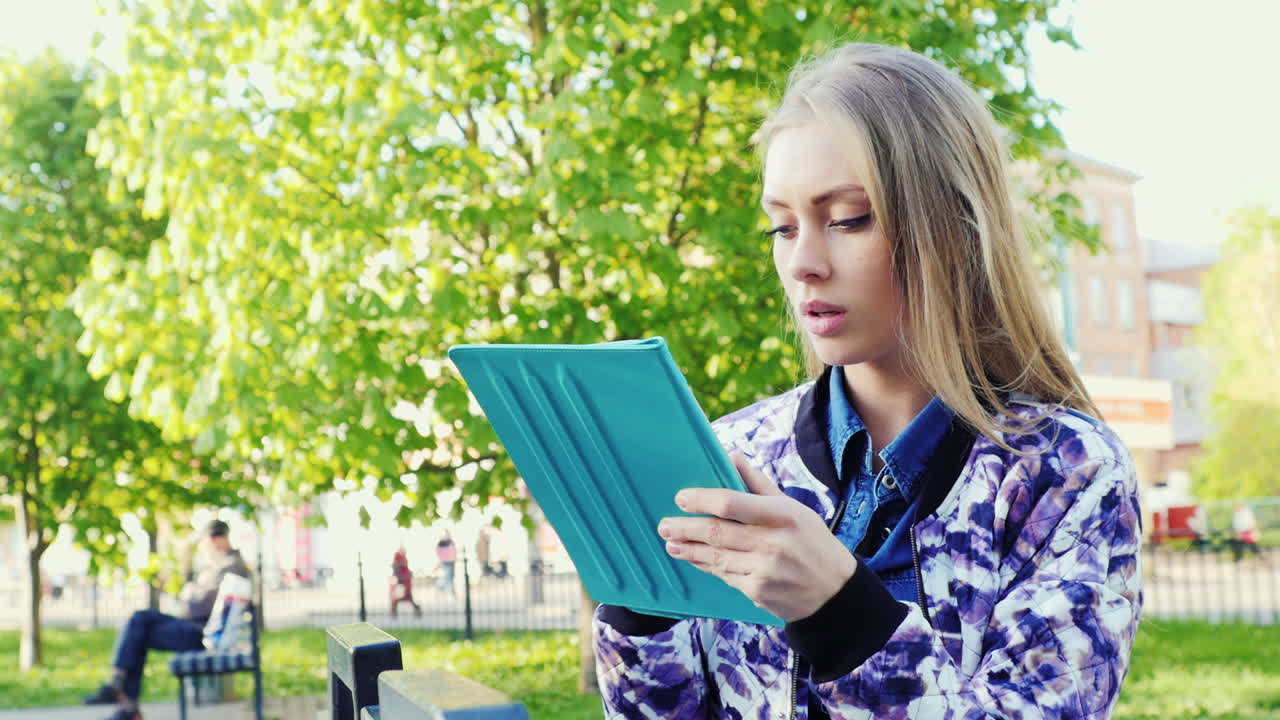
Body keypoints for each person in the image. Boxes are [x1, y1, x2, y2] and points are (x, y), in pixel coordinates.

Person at [593, 43, 1142, 719]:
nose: (803, 262)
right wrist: (635, 593)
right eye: (782, 226)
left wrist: (841, 614)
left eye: (847, 218)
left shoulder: (1063, 474)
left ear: (954, 227)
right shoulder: (733, 453)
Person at [83, 519, 250, 720]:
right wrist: (190, 595)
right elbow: (194, 601)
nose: (202, 548)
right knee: (140, 619)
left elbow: (198, 605)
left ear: (215, 540)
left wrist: (189, 594)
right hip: (194, 625)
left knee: (139, 633)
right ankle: (122, 691)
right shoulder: (219, 567)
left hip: (200, 634)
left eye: (203, 543)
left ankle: (125, 699)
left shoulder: (230, 567)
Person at [389, 544, 422, 617]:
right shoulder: (398, 557)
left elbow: (403, 568)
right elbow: (397, 567)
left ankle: (394, 611)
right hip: (403, 580)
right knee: (399, 598)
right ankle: (393, 611)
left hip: (405, 580)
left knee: (408, 597)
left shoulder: (402, 558)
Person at [435, 531, 457, 595]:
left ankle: (450, 590)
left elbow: (454, 551)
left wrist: (454, 557)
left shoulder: (451, 542)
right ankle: (442, 587)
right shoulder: (441, 543)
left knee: (451, 576)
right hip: (445, 562)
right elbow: (439, 552)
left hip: (451, 562)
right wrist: (442, 559)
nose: (447, 536)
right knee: (446, 576)